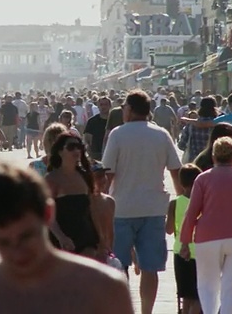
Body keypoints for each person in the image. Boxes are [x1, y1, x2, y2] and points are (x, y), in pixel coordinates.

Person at [0, 161, 134, 314]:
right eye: (3, 242)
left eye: (26, 236)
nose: (17, 252)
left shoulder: (104, 289)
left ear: (48, 214)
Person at [102, 90, 182, 314]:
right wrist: (180, 200)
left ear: (129, 109)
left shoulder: (118, 134)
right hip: (154, 208)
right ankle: (147, 311)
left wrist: (101, 205)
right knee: (150, 268)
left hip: (122, 208)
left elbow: (108, 174)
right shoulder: (162, 134)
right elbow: (175, 171)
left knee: (119, 266)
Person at [180, 137, 232, 314]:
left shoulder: (202, 179)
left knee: (207, 285)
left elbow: (191, 213)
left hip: (207, 237)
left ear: (213, 157)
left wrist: (185, 242)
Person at [45, 133, 100, 258]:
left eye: (79, 147)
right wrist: (61, 237)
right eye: (71, 147)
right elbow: (47, 214)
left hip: (86, 238)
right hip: (61, 241)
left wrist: (102, 238)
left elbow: (93, 210)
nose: (76, 150)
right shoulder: (52, 179)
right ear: (60, 151)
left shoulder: (85, 176)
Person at [166, 164, 202, 314]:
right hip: (200, 253)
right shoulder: (202, 203)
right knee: (198, 296)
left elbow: (168, 230)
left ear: (181, 183)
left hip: (180, 253)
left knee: (185, 296)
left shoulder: (174, 203)